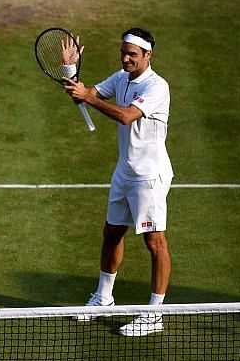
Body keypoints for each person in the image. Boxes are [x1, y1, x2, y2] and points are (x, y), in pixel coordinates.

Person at [62, 28, 173, 337]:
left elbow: (126, 116)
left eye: (132, 55)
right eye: (123, 52)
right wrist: (71, 73)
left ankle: (154, 314)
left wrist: (86, 96)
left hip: (148, 177)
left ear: (148, 56)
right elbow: (86, 97)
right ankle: (103, 298)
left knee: (155, 242)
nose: (126, 58)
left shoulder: (157, 87)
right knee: (111, 233)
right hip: (124, 172)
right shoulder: (120, 77)